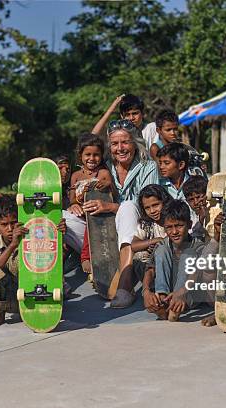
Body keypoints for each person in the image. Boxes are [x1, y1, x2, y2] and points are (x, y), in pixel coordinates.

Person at [63, 119, 158, 308]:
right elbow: (90, 139)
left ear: (135, 143)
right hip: (103, 236)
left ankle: (125, 284)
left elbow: (148, 209)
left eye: (125, 142)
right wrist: (74, 204)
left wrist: (112, 207)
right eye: (114, 143)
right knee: (62, 217)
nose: (120, 148)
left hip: (135, 233)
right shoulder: (103, 166)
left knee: (129, 206)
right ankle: (62, 276)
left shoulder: (148, 167)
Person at [0, 195, 68, 328]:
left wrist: (59, 235)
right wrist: (13, 245)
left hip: (35, 292)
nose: (10, 229)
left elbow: (55, 262)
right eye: (4, 224)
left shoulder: (33, 237)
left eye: (14, 222)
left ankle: (47, 304)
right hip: (12, 298)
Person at [142, 200, 206, 321]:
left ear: (190, 224)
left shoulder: (198, 246)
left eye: (179, 226)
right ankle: (162, 300)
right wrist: (146, 292)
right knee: (161, 250)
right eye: (169, 227)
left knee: (188, 254)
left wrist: (180, 293)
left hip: (188, 293)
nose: (175, 232)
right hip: (169, 293)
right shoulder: (163, 245)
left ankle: (174, 307)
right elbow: (150, 270)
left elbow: (196, 274)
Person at [67, 134, 114, 218]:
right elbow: (72, 200)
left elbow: (112, 195)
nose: (92, 158)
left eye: (96, 155)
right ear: (80, 155)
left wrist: (108, 185)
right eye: (88, 154)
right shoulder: (75, 175)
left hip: (100, 217)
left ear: (101, 155)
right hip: (80, 215)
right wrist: (78, 200)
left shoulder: (104, 173)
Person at [91, 94, 159, 150]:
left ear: (142, 113)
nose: (131, 118)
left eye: (135, 113)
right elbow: (93, 136)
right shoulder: (116, 132)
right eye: (127, 115)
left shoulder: (151, 128)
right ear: (121, 116)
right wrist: (112, 107)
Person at [182, 175, 210, 241]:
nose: (196, 202)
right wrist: (201, 219)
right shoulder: (189, 216)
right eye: (191, 199)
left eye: (198, 197)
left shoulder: (215, 209)